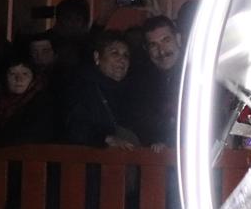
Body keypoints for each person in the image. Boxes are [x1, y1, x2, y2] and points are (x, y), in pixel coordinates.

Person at [64, 31, 143, 149]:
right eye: (114, 53)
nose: (122, 59)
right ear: (97, 57)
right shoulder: (82, 87)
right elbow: (75, 127)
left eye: (126, 55)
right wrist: (105, 139)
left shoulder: (134, 89)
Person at [129, 15, 183, 148]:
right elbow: (140, 121)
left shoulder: (200, 73)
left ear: (178, 39)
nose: (161, 51)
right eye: (153, 45)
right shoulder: (140, 81)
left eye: (166, 40)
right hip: (154, 156)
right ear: (146, 49)